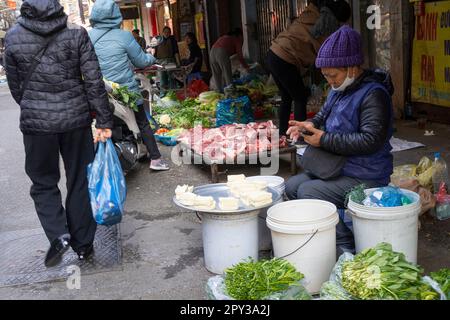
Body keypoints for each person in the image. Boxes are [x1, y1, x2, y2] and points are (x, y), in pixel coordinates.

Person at [3, 0, 113, 266]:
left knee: (42, 182)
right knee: (79, 180)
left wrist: (35, 108)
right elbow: (93, 79)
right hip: (75, 120)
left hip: (37, 126)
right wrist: (104, 120)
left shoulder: (13, 37)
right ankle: (84, 245)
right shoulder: (76, 33)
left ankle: (58, 234)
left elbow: (17, 87)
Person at [285, 25, 394, 253]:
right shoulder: (339, 89)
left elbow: (370, 140)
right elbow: (324, 114)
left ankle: (346, 246)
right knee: (292, 187)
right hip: (338, 167)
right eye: (326, 76)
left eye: (333, 75)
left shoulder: (374, 95)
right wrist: (310, 125)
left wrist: (324, 140)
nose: (330, 81)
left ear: (352, 68)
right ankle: (320, 239)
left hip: (366, 174)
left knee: (309, 193)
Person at [89, 0, 169, 171]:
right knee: (143, 121)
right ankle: (156, 159)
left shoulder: (88, 36)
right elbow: (140, 60)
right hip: (125, 90)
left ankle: (101, 163)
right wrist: (151, 57)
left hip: (98, 91)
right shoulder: (124, 35)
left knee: (100, 124)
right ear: (116, 15)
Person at [266, 0, 351, 136]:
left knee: (287, 97)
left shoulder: (312, 12)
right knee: (300, 97)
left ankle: (283, 134)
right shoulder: (328, 26)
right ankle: (300, 135)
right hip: (285, 57)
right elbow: (326, 53)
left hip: (273, 53)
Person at [209, 28, 249, 93]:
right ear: (239, 35)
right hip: (221, 52)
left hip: (212, 52)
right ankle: (231, 94)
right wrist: (246, 67)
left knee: (217, 75)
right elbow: (240, 56)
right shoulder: (236, 39)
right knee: (227, 74)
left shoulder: (224, 37)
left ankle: (219, 93)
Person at [154, 26, 181, 95]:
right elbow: (155, 53)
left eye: (168, 32)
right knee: (162, 78)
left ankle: (173, 94)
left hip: (170, 61)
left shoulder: (173, 40)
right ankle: (163, 94)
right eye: (165, 32)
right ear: (162, 33)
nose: (167, 33)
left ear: (170, 33)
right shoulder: (158, 40)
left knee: (171, 77)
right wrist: (154, 62)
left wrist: (178, 62)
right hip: (160, 62)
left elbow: (176, 52)